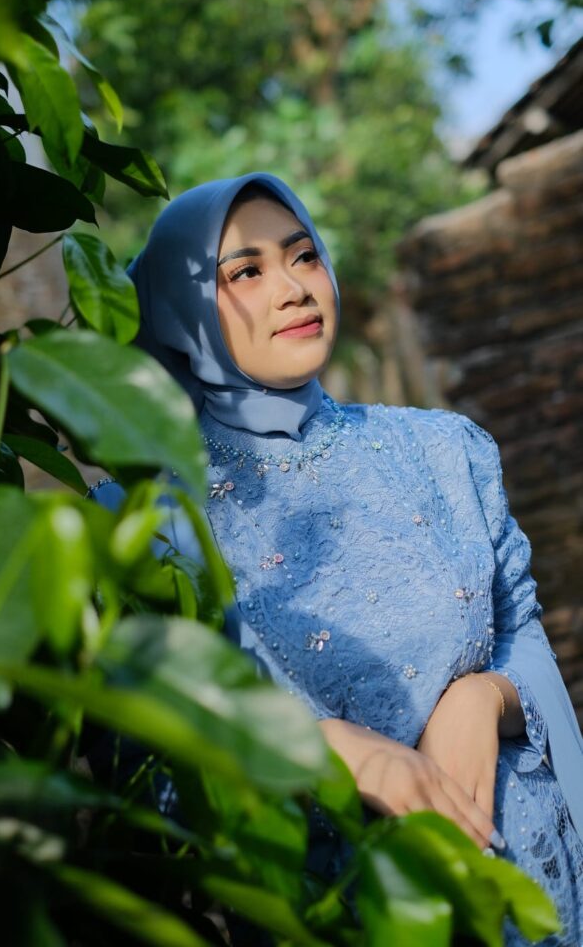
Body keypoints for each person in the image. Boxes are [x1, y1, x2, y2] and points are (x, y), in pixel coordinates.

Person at [88, 173, 583, 945]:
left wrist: (482, 697)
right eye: (245, 272)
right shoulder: (143, 524)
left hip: (542, 886)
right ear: (181, 309)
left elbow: (520, 631)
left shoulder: (443, 449)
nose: (293, 289)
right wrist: (319, 748)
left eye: (303, 256)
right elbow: (141, 765)